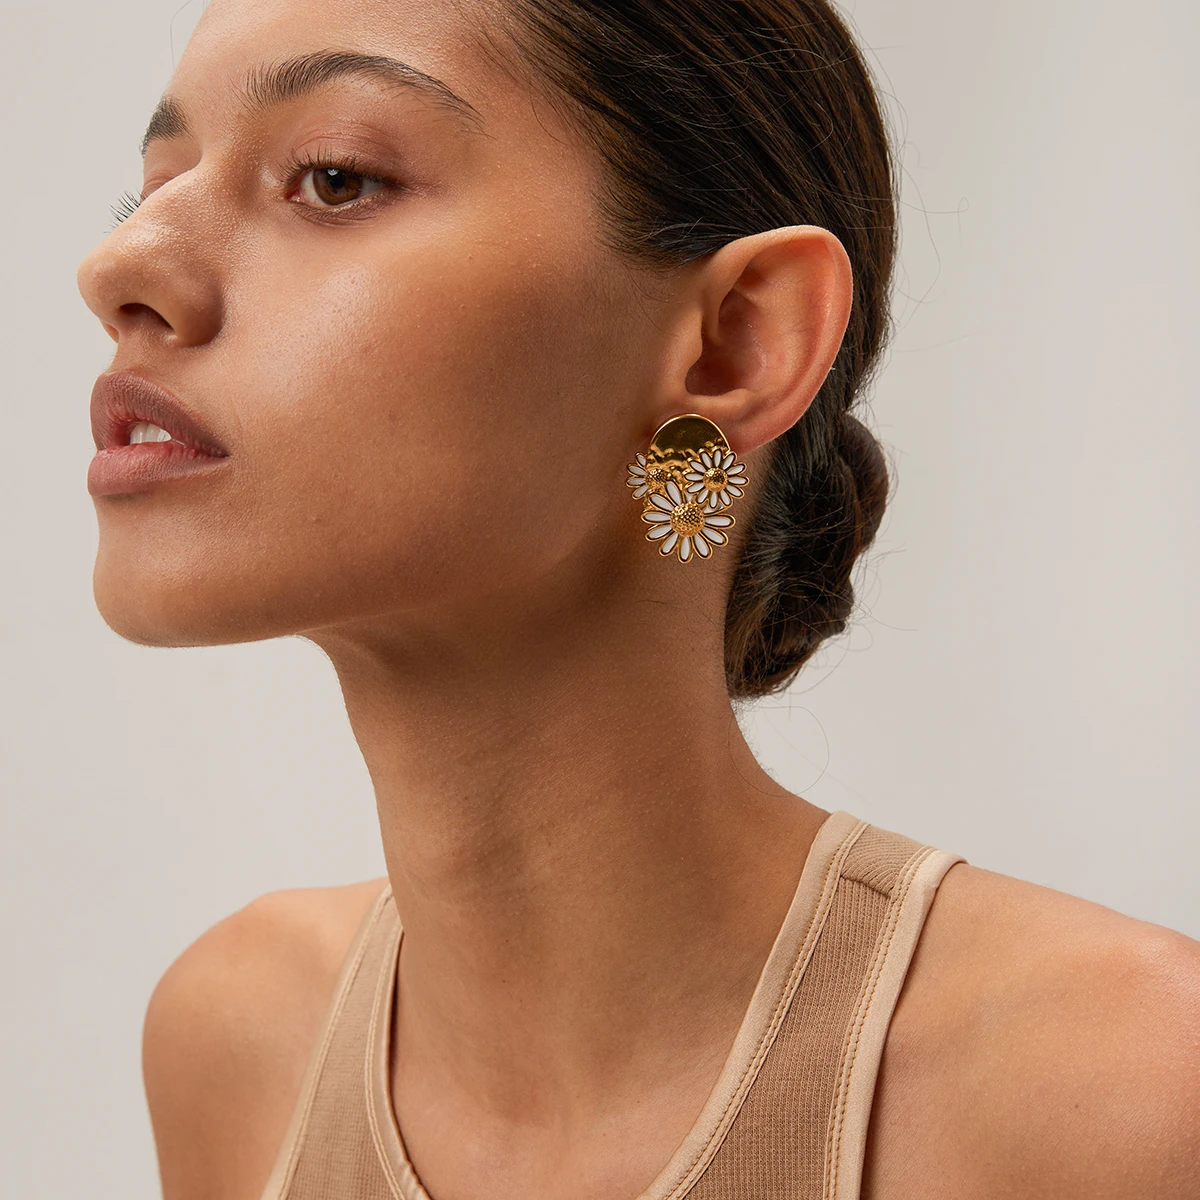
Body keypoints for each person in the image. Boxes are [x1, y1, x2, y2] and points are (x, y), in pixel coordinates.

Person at [76, 0, 1200, 1197]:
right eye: (156, 186)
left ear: (737, 342)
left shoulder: (1126, 1092)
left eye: (336, 178)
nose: (115, 266)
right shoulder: (238, 1045)